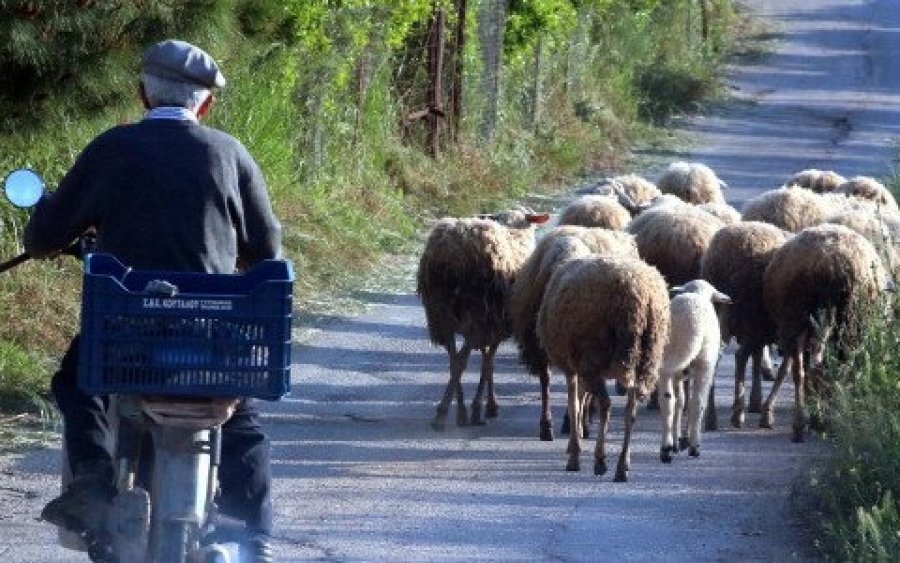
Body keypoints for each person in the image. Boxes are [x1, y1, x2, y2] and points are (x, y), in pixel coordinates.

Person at [24, 39, 282, 562]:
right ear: (204, 104)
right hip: (209, 340)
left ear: (142, 93)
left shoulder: (112, 149)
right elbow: (267, 249)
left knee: (77, 383)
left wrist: (53, 217)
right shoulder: (230, 154)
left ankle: (94, 483)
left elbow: (43, 238)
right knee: (241, 417)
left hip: (128, 341)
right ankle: (250, 534)